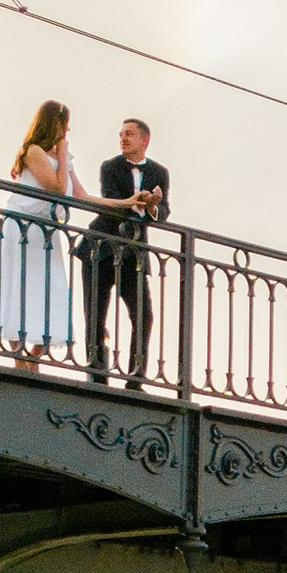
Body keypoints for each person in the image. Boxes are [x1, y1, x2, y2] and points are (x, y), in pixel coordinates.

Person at [0, 100, 82, 366]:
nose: (67, 132)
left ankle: (34, 359)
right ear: (54, 125)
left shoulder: (63, 160)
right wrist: (62, 156)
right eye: (64, 126)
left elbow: (82, 195)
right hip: (23, 226)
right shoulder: (33, 151)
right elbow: (57, 189)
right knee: (18, 285)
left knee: (51, 291)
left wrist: (130, 202)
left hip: (46, 232)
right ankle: (19, 359)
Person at [81, 114, 170, 384]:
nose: (123, 139)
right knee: (96, 312)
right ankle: (97, 373)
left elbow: (164, 212)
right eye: (121, 134)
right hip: (100, 247)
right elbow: (108, 198)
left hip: (133, 254)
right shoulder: (109, 166)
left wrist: (153, 206)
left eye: (129, 134)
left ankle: (136, 377)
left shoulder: (159, 172)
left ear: (145, 139)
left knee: (143, 314)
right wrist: (137, 202)